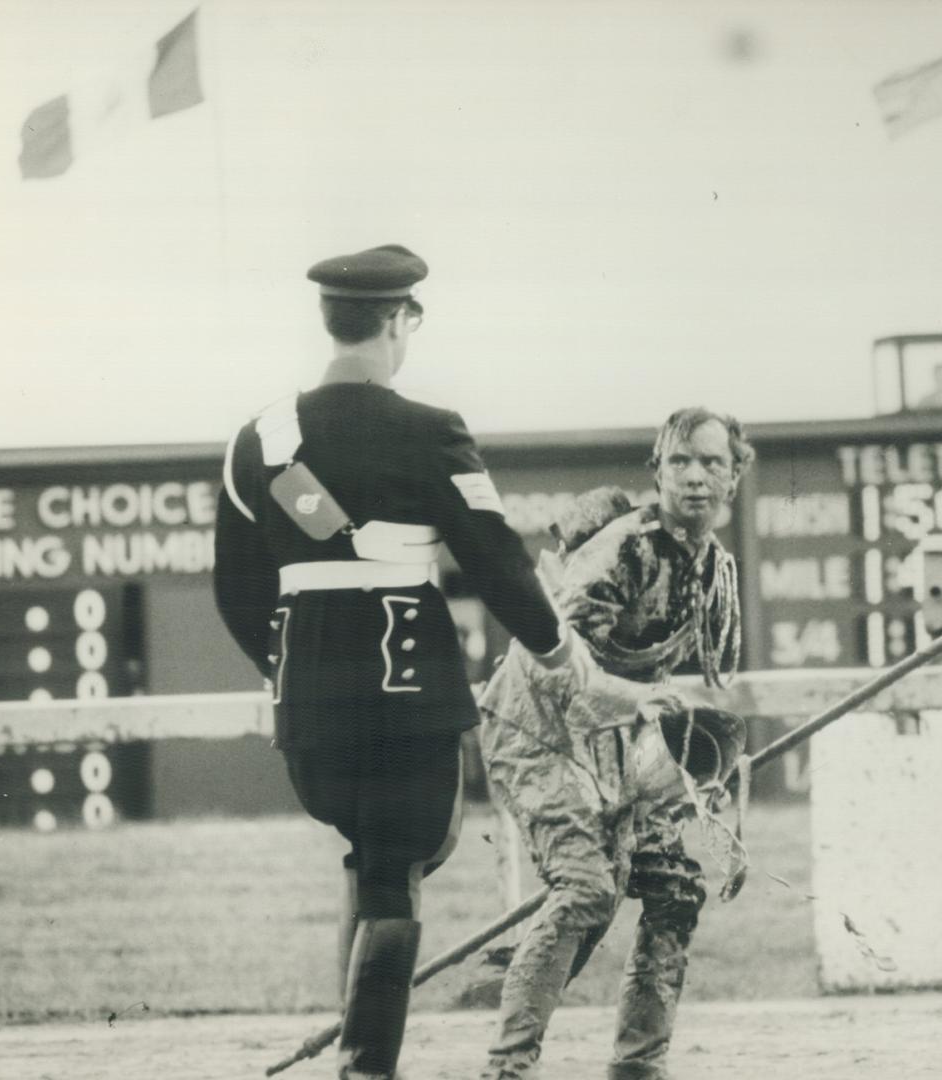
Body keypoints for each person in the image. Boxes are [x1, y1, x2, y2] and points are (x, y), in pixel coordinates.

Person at [212, 243, 589, 1080]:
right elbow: (496, 561)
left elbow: (235, 588)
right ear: (397, 320)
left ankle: (359, 1048)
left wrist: (285, 671)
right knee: (395, 867)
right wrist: (561, 654)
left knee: (370, 859)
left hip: (308, 709)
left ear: (328, 319)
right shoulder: (429, 431)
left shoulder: (262, 438)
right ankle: (365, 1068)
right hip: (407, 691)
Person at [478, 406, 755, 1080]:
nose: (694, 478)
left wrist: (703, 767)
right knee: (586, 891)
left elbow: (708, 688)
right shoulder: (621, 550)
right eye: (680, 462)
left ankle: (638, 1067)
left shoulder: (716, 568)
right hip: (536, 730)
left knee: (676, 890)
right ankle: (507, 1068)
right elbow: (556, 668)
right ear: (656, 471)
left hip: (616, 744)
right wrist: (640, 704)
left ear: (735, 476)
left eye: (711, 463)